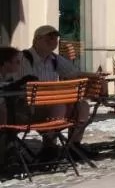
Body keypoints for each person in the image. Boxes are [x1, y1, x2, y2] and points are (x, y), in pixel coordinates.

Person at [21, 26, 102, 154]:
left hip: (51, 103)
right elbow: (23, 85)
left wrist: (94, 76)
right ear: (37, 40)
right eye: (48, 38)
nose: (53, 41)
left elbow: (73, 73)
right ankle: (49, 146)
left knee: (82, 106)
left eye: (55, 38)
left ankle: (74, 145)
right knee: (59, 106)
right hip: (29, 108)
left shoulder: (54, 58)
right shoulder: (24, 58)